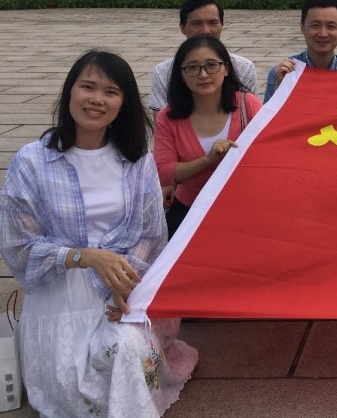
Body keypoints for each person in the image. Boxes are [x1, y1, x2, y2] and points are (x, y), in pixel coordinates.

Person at [0, 50, 197, 417]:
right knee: (75, 389)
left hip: (121, 291)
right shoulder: (32, 160)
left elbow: (152, 235)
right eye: (87, 87)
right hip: (60, 292)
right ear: (69, 92)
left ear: (123, 103)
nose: (97, 99)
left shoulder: (137, 161)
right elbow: (17, 244)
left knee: (126, 350)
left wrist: (126, 284)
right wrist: (82, 256)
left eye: (110, 92)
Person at [155, 35, 262, 237]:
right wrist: (208, 159)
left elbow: (268, 155)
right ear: (181, 74)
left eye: (211, 65)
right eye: (192, 67)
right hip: (191, 211)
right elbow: (165, 172)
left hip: (246, 209)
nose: (203, 74)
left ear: (226, 68)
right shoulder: (168, 116)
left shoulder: (248, 105)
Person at [149, 0, 258, 113]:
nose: (205, 30)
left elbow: (252, 115)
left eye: (212, 23)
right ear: (182, 27)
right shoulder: (162, 71)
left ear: (222, 25)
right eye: (196, 23)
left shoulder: (244, 68)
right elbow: (160, 119)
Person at [264, 0, 337, 102]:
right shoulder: (283, 73)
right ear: (302, 28)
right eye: (315, 26)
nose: (323, 34)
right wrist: (281, 88)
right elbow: (270, 113)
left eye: (331, 26)